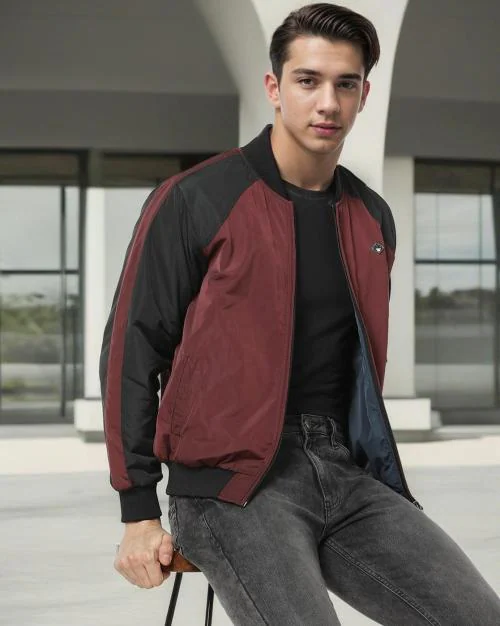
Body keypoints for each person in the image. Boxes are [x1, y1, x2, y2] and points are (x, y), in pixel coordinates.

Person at [100, 3, 500, 624]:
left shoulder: (371, 217)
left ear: (364, 95)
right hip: (231, 485)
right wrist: (138, 511)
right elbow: (132, 348)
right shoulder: (196, 198)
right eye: (308, 81)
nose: (327, 103)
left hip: (343, 471)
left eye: (346, 84)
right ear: (274, 87)